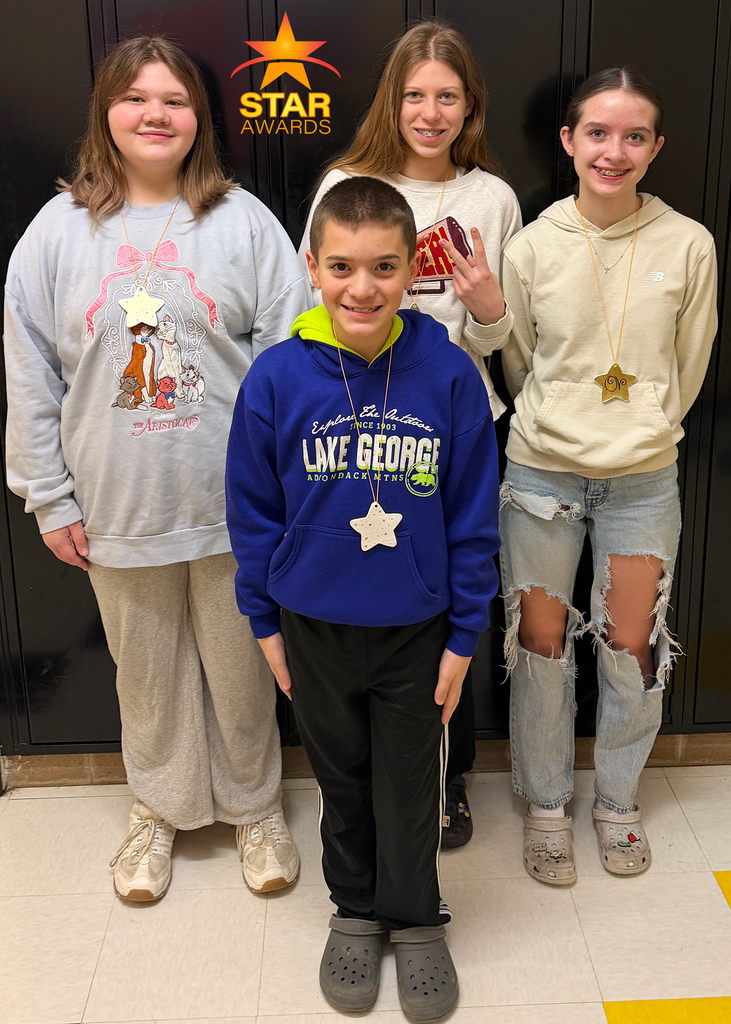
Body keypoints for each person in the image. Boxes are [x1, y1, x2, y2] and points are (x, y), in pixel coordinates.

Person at [3, 36, 312, 901]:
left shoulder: (242, 221)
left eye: (173, 99)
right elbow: (28, 371)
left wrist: (286, 487)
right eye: (135, 97)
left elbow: (291, 357)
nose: (154, 114)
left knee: (243, 663)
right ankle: (161, 809)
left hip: (233, 501)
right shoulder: (58, 232)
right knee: (144, 669)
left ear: (197, 118)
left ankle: (254, 808)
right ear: (106, 111)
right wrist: (48, 497)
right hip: (115, 504)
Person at [226, 176, 500, 1020]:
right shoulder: (275, 378)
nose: (362, 287)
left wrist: (462, 636)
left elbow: (469, 513)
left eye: (384, 267)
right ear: (312, 267)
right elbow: (252, 511)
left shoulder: (448, 374)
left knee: (411, 781)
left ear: (409, 271)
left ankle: (416, 918)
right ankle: (354, 910)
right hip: (312, 623)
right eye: (341, 266)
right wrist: (265, 623)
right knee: (341, 776)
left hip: (418, 626)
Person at [298, 19, 521, 848]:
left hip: (458, 429)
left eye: (447, 97)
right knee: (366, 597)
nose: (429, 113)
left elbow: (502, 339)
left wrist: (489, 307)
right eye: (414, 95)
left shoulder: (490, 198)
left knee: (453, 595)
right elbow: (308, 317)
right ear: (392, 100)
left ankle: (449, 772)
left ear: (470, 107)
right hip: (361, 431)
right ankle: (354, 771)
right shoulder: (344, 183)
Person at [500, 68, 717, 884]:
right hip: (540, 478)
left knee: (631, 647)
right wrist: (564, 421)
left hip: (641, 481)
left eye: (633, 137)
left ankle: (617, 802)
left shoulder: (688, 243)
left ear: (655, 148)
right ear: (568, 141)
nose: (613, 151)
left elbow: (688, 367)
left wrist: (642, 426)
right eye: (597, 133)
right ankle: (546, 804)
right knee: (541, 647)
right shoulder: (531, 244)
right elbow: (517, 362)